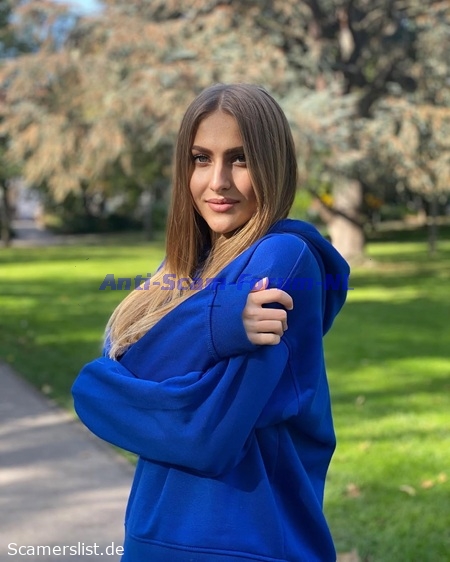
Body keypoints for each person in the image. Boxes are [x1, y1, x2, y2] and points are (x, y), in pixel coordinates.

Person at [72, 83, 350, 562]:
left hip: (248, 545)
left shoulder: (283, 259)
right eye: (201, 159)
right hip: (151, 539)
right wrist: (218, 318)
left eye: (240, 159)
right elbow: (96, 393)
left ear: (274, 165)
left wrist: (110, 386)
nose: (217, 181)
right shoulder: (182, 269)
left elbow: (203, 433)